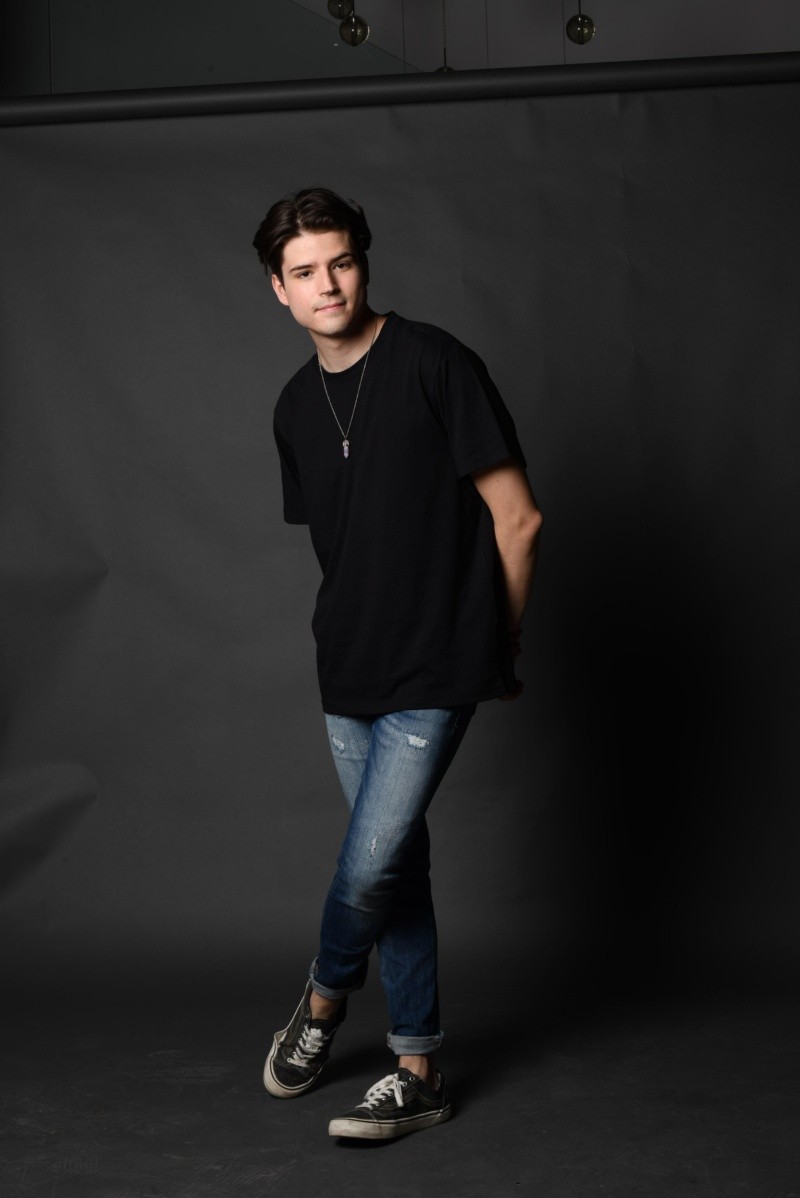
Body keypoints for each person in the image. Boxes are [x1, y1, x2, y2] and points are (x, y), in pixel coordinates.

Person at [252, 187, 542, 1141]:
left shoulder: (434, 362)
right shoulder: (293, 407)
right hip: (348, 669)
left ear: (363, 263)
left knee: (369, 866)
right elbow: (344, 545)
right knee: (398, 868)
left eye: (340, 262)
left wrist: (498, 642)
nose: (327, 285)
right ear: (279, 290)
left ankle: (322, 999)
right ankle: (418, 1070)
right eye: (305, 272)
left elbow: (519, 520)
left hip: (440, 660)